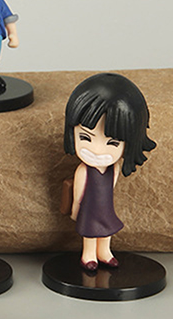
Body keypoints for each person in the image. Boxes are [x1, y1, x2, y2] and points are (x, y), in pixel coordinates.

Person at [64, 73, 156, 270]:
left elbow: (111, 188)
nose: (97, 150)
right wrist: (75, 210)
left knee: (107, 230)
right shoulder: (83, 171)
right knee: (90, 233)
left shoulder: (113, 168)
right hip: (89, 210)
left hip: (105, 208)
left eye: (112, 143)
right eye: (85, 138)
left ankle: (104, 252)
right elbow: (78, 194)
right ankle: (88, 255)